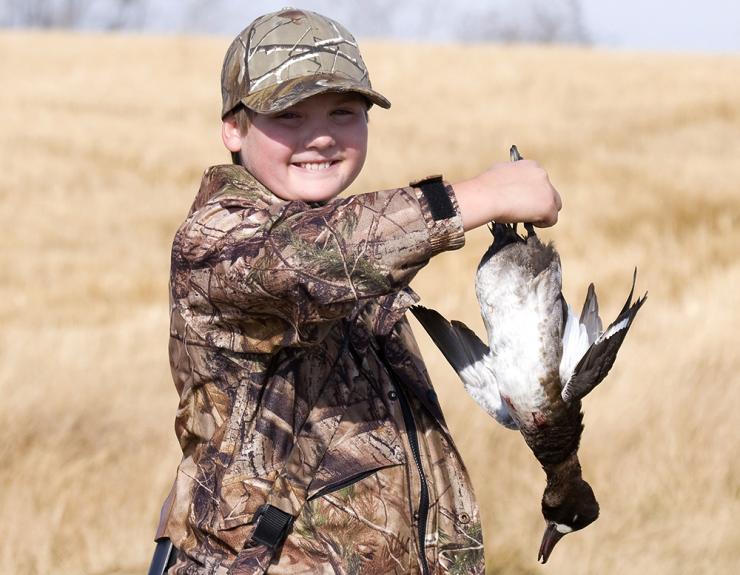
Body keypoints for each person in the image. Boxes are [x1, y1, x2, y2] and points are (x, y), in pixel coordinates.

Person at [151, 7, 561, 575]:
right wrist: (480, 196)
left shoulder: (354, 253)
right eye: (288, 115)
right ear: (232, 128)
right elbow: (303, 258)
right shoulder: (218, 238)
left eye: (344, 112)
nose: (320, 135)